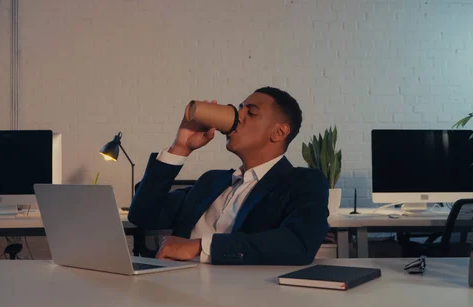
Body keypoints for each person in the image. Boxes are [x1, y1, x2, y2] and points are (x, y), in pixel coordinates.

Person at [128, 87, 330, 265]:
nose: (238, 116)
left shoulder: (303, 182)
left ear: (278, 132)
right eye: (239, 108)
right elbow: (143, 215)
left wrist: (200, 247)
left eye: (250, 112)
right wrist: (180, 147)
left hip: (240, 298)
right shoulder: (212, 181)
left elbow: (297, 244)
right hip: (175, 290)